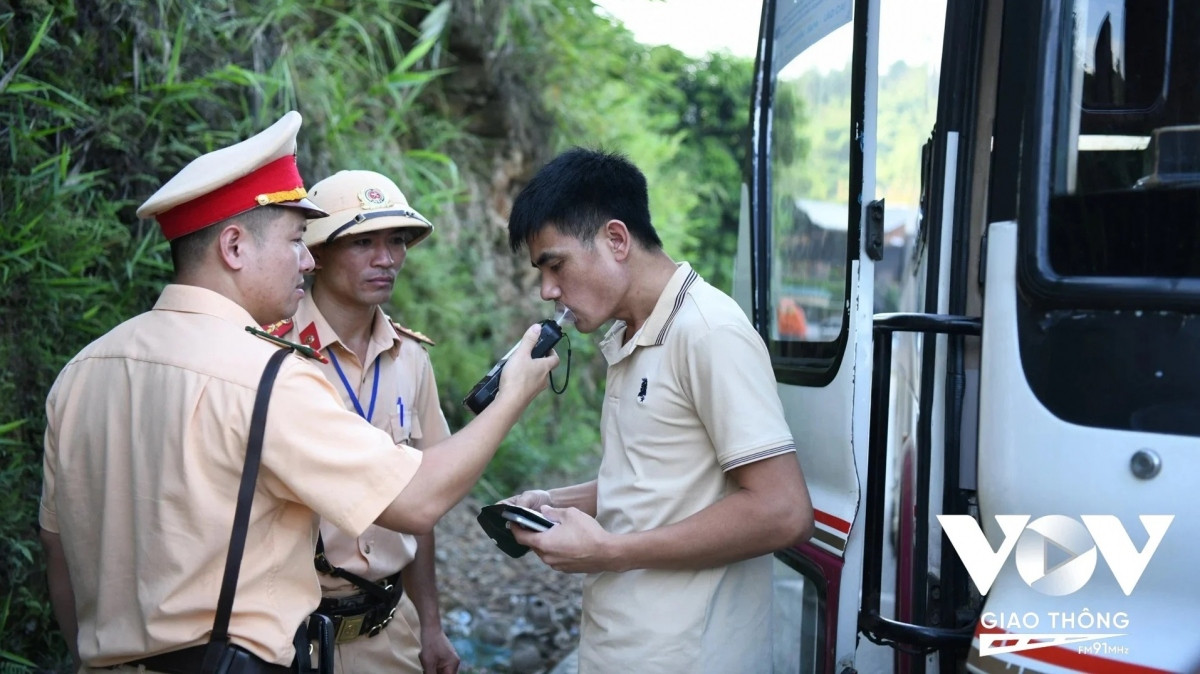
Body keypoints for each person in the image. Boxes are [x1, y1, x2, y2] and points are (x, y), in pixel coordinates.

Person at [38, 111, 557, 672]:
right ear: (235, 247)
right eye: (294, 240)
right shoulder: (267, 374)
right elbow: (417, 502)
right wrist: (513, 396)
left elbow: (58, 551)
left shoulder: (81, 371)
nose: (307, 260)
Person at [502, 148, 815, 673]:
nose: (547, 291)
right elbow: (658, 486)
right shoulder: (633, 333)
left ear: (616, 239)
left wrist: (610, 552)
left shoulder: (709, 333)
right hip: (624, 648)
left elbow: (783, 512)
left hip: (690, 656)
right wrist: (551, 501)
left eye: (555, 265)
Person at [261, 169, 457, 673]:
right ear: (317, 253)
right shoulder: (270, 354)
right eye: (363, 241)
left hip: (390, 632)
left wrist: (432, 628)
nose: (386, 258)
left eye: (397, 241)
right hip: (286, 640)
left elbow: (423, 500)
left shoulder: (411, 359)